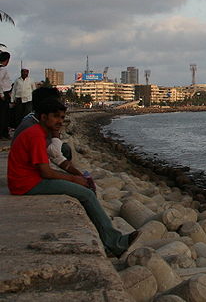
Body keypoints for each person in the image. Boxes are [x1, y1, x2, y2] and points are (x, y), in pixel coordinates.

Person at [6, 98, 138, 256]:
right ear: (43, 117)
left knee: (84, 190)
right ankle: (115, 243)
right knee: (87, 194)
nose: (60, 121)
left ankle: (107, 235)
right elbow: (46, 172)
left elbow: (56, 160)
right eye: (55, 117)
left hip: (27, 180)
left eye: (62, 118)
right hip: (27, 184)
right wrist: (75, 180)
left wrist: (77, 175)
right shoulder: (35, 135)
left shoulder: (38, 132)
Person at [0, 51, 11, 139]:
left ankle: (4, 133)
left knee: (5, 114)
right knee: (3, 115)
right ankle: (3, 133)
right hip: (3, 93)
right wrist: (1, 94)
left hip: (5, 92)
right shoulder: (2, 69)